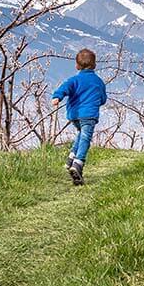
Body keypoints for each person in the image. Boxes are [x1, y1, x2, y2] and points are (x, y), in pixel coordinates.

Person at [51, 48, 107, 185]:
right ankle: (78, 163)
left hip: (74, 115)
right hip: (89, 115)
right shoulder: (98, 82)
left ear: (77, 65)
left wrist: (57, 97)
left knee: (81, 134)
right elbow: (103, 99)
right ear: (94, 65)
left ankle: (71, 158)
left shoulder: (74, 80)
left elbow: (64, 88)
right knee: (85, 137)